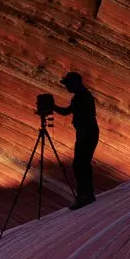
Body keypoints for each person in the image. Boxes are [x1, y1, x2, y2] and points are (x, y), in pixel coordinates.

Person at [53, 72, 99, 210]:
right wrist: (53, 107)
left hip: (86, 133)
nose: (66, 87)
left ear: (74, 84)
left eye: (67, 84)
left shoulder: (81, 97)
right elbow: (68, 112)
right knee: (82, 164)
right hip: (87, 132)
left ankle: (84, 196)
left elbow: (76, 114)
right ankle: (86, 195)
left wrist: (52, 107)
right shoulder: (81, 96)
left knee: (80, 164)